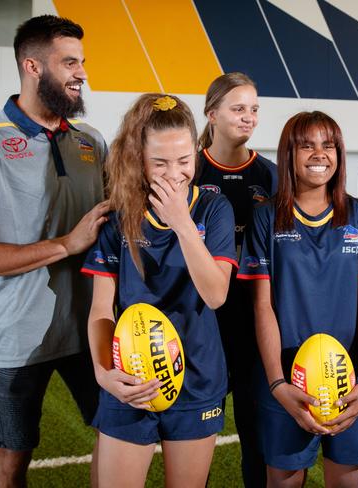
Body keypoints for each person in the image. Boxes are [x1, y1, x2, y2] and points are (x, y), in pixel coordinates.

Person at [0, 15, 108, 487]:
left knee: (118, 436)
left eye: (82, 62)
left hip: (89, 328)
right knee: (10, 463)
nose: (81, 73)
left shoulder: (91, 141)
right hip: (18, 338)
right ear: (32, 66)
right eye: (69, 62)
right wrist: (65, 244)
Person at [82, 93, 236, 487]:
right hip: (130, 378)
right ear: (138, 159)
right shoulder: (119, 216)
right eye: (160, 163)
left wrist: (182, 223)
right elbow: (102, 308)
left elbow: (216, 295)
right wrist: (104, 374)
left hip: (196, 379)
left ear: (196, 154)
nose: (174, 174)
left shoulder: (214, 210)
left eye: (184, 161)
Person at [238, 111, 358, 487]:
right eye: (306, 145)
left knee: (347, 482)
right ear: (289, 154)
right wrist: (277, 383)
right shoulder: (265, 217)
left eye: (328, 145)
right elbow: (263, 307)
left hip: (351, 376)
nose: (319, 154)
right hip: (286, 379)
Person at [195, 72, 277, 487]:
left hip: (252, 320)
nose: (249, 118)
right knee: (194, 440)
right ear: (212, 114)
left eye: (254, 109)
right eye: (238, 108)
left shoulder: (271, 175)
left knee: (256, 439)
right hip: (199, 322)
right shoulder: (187, 168)